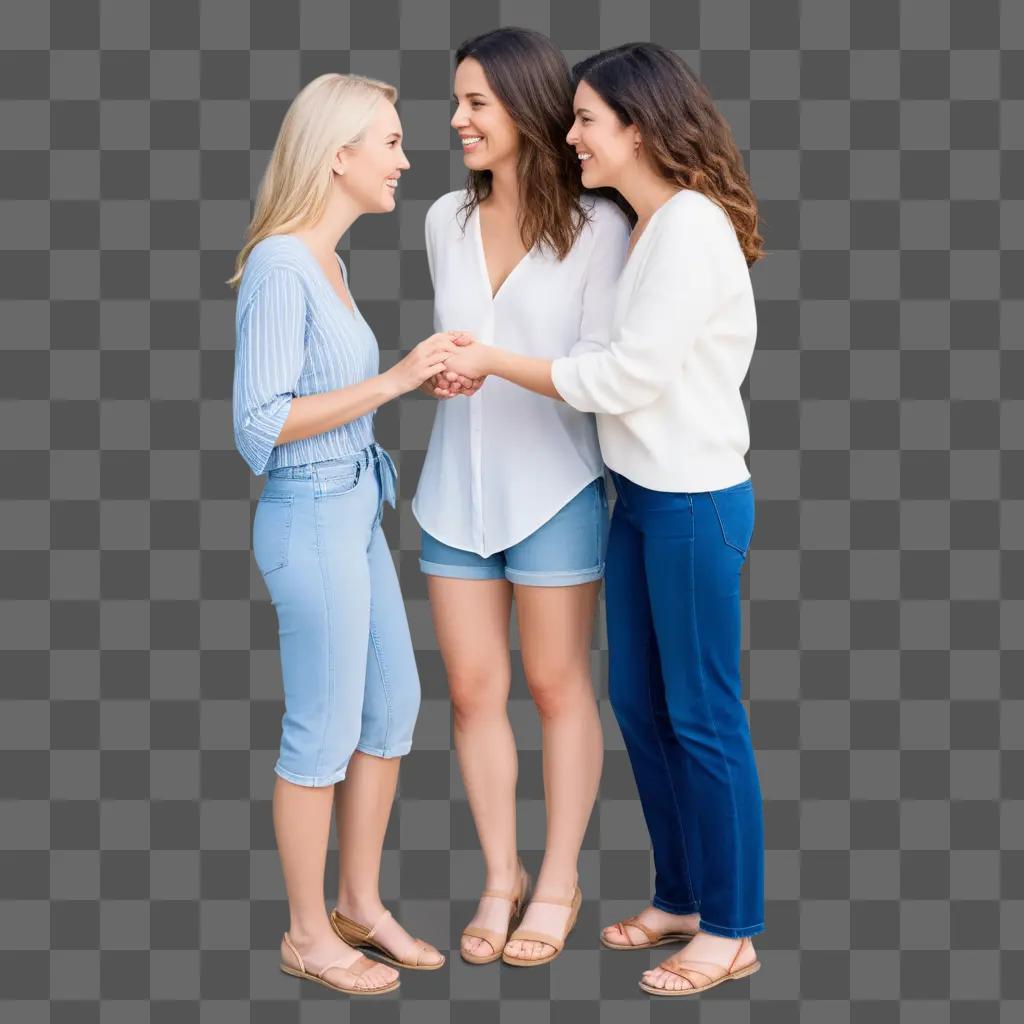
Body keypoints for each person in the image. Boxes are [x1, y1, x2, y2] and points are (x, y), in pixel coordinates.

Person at [442, 42, 767, 995]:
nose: (571, 133)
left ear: (639, 126)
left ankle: (734, 926)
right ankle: (680, 897)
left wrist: (495, 360)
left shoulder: (692, 227)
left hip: (694, 499)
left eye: (587, 119)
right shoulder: (651, 223)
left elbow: (624, 374)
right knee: (637, 703)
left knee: (705, 714)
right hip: (637, 496)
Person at [230, 73, 461, 996]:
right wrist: (397, 380)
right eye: (392, 142)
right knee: (319, 732)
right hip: (310, 513)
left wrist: (411, 381)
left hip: (353, 510)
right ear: (340, 155)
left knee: (391, 710)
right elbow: (259, 424)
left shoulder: (327, 262)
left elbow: (332, 397)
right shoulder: (285, 262)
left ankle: (357, 906)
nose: (406, 159)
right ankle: (303, 934)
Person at [412, 28, 630, 967]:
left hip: (556, 488)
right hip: (452, 489)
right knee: (470, 693)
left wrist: (494, 362)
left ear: (527, 109)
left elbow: (595, 371)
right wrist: (443, 375)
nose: (456, 120)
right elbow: (452, 346)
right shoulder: (442, 223)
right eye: (456, 101)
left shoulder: (601, 229)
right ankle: (499, 878)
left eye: (476, 104)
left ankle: (558, 881)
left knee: (554, 686)